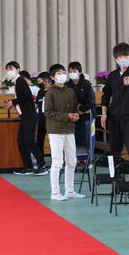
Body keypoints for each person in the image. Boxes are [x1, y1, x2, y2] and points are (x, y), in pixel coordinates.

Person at [44, 64, 85, 201]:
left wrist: (76, 114)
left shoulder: (70, 91)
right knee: (57, 162)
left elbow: (74, 107)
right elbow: (48, 112)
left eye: (63, 72)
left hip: (69, 130)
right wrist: (66, 116)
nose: (62, 75)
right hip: (55, 131)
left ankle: (70, 190)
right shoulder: (50, 92)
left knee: (72, 161)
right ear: (52, 77)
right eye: (58, 73)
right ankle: (55, 192)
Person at [100, 43, 129, 161]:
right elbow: (106, 95)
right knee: (114, 151)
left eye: (126, 56)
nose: (123, 59)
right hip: (114, 118)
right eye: (120, 57)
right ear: (116, 59)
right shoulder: (112, 75)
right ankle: (116, 172)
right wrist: (104, 114)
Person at [3, 61, 47, 176]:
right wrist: (13, 103)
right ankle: (28, 167)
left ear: (18, 70)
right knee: (21, 141)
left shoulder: (20, 80)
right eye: (7, 69)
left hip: (29, 116)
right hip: (25, 116)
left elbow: (26, 96)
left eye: (11, 68)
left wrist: (13, 102)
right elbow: (24, 98)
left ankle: (42, 165)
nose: (9, 71)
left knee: (29, 141)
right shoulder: (17, 81)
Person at [66, 61, 96, 162]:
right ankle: (75, 159)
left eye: (74, 71)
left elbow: (91, 100)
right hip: (73, 116)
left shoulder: (86, 84)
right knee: (74, 138)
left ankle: (88, 159)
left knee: (87, 138)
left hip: (87, 116)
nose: (72, 73)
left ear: (80, 72)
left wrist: (81, 109)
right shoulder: (67, 85)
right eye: (70, 71)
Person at [35, 72, 52, 170]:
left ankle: (55, 163)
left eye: (39, 81)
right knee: (39, 141)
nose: (38, 83)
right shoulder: (40, 92)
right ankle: (41, 163)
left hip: (51, 120)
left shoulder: (53, 91)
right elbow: (37, 104)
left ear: (46, 81)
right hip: (41, 120)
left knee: (53, 142)